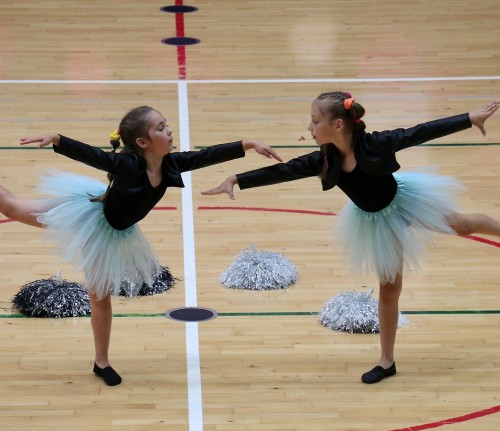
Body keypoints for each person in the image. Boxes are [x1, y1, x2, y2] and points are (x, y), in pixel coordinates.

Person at [202, 91, 500, 384]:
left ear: (338, 125)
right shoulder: (324, 159)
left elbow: (417, 133)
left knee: (462, 226)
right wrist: (237, 180)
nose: (309, 127)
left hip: (405, 201)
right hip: (378, 222)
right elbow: (285, 171)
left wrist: (468, 119)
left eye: (314, 121)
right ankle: (387, 361)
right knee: (389, 288)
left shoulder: (376, 144)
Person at [0, 105, 282, 386]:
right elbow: (96, 157)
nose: (169, 130)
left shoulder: (171, 163)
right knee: (12, 208)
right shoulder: (129, 165)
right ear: (142, 142)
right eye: (160, 127)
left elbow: (206, 156)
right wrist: (59, 139)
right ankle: (102, 362)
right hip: (89, 222)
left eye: (166, 124)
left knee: (101, 298)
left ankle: (101, 362)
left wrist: (247, 144)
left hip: (117, 233)